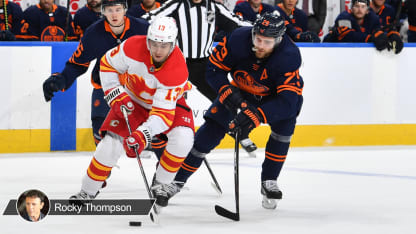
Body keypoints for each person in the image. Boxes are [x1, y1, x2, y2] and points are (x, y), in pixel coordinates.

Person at [163, 12, 304, 210]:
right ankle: (175, 182)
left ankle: (269, 181)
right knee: (209, 132)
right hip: (240, 91)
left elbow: (287, 102)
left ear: (279, 40)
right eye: (258, 39)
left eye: (267, 42)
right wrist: (229, 93)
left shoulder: (289, 56)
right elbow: (213, 69)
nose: (260, 45)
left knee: (283, 133)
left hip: (274, 100)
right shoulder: (238, 38)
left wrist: (256, 115)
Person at [70, 16, 195, 209]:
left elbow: (162, 115)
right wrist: (114, 93)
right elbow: (107, 64)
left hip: (167, 107)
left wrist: (142, 135)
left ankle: (161, 185)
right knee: (109, 146)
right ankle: (87, 190)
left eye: (164, 45)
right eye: (154, 44)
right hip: (133, 100)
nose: (158, 50)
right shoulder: (132, 47)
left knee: (184, 138)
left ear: (173, 44)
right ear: (148, 40)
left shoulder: (177, 69)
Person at [142, 0, 259, 156]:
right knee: (163, 101)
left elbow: (236, 23)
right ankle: (149, 137)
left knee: (226, 99)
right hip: (177, 62)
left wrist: (261, 30)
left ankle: (238, 132)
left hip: (204, 64)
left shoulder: (214, 7)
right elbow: (150, 19)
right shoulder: (176, 4)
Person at [43, 0, 149, 146]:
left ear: (125, 10)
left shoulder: (143, 29)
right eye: (109, 10)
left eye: (118, 9)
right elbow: (78, 64)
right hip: (105, 87)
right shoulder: (94, 33)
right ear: (103, 12)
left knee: (156, 135)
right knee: (101, 137)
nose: (114, 15)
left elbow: (159, 57)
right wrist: (61, 79)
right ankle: (103, 167)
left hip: (138, 88)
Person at [323, 0, 403, 54]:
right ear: (351, 9)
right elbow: (346, 35)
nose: (359, 9)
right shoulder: (344, 16)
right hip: (332, 52)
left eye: (363, 7)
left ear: (367, 10)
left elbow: (378, 31)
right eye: (356, 6)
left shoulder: (373, 18)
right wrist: (370, 38)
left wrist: (392, 35)